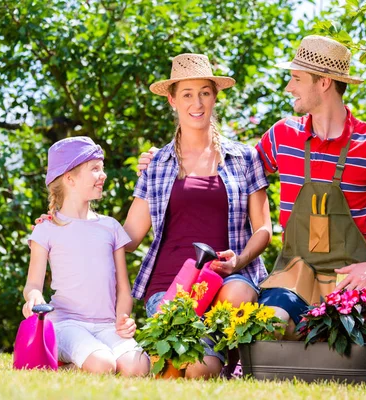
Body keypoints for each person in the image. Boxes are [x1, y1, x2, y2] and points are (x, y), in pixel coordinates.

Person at [138, 37, 366, 380]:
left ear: (324, 82)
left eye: (296, 78)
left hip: (351, 275)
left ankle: (327, 345)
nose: (288, 88)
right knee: (266, 327)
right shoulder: (281, 136)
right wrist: (166, 159)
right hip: (294, 273)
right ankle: (318, 348)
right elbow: (229, 167)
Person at [123, 53, 272, 379]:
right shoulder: (157, 164)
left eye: (205, 92)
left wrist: (239, 260)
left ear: (215, 97)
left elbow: (263, 229)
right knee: (184, 374)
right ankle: (194, 356)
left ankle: (211, 353)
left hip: (226, 284)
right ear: (172, 100)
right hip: (170, 289)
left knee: (237, 297)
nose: (197, 102)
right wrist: (72, 224)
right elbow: (130, 237)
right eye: (187, 94)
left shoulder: (244, 157)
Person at [23, 137, 149, 376]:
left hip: (106, 326)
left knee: (139, 366)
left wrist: (123, 318)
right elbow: (33, 284)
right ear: (69, 179)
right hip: (66, 324)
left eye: (102, 168)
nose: (103, 175)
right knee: (104, 365)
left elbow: (124, 287)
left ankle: (78, 363)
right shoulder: (46, 228)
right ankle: (63, 363)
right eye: (94, 169)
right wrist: (34, 297)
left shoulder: (111, 227)